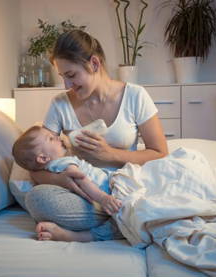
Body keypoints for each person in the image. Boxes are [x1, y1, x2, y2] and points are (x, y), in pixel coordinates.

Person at [24, 30, 168, 242]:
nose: (66, 85)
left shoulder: (135, 96)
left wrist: (110, 154)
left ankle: (100, 226)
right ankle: (126, 220)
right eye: (63, 77)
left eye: (71, 75)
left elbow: (160, 153)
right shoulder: (59, 104)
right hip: (85, 195)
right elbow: (37, 169)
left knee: (161, 194)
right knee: (37, 199)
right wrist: (63, 179)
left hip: (125, 187)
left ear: (94, 63)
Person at [12, 125, 123, 216]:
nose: (58, 137)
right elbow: (81, 179)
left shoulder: (52, 168)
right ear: (43, 158)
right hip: (110, 185)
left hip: (108, 185)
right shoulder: (63, 163)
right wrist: (103, 198)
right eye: (51, 139)